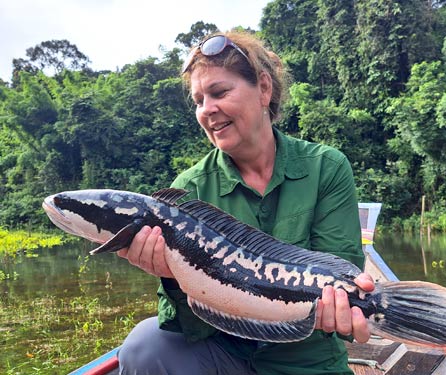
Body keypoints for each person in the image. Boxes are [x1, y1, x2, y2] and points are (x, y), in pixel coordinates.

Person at [117, 31, 375, 375]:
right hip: (224, 354)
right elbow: (184, 325)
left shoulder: (325, 167)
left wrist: (344, 310)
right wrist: (172, 276)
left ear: (264, 89)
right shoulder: (186, 191)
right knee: (144, 346)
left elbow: (341, 272)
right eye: (198, 100)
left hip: (306, 361)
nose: (207, 110)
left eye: (220, 92)